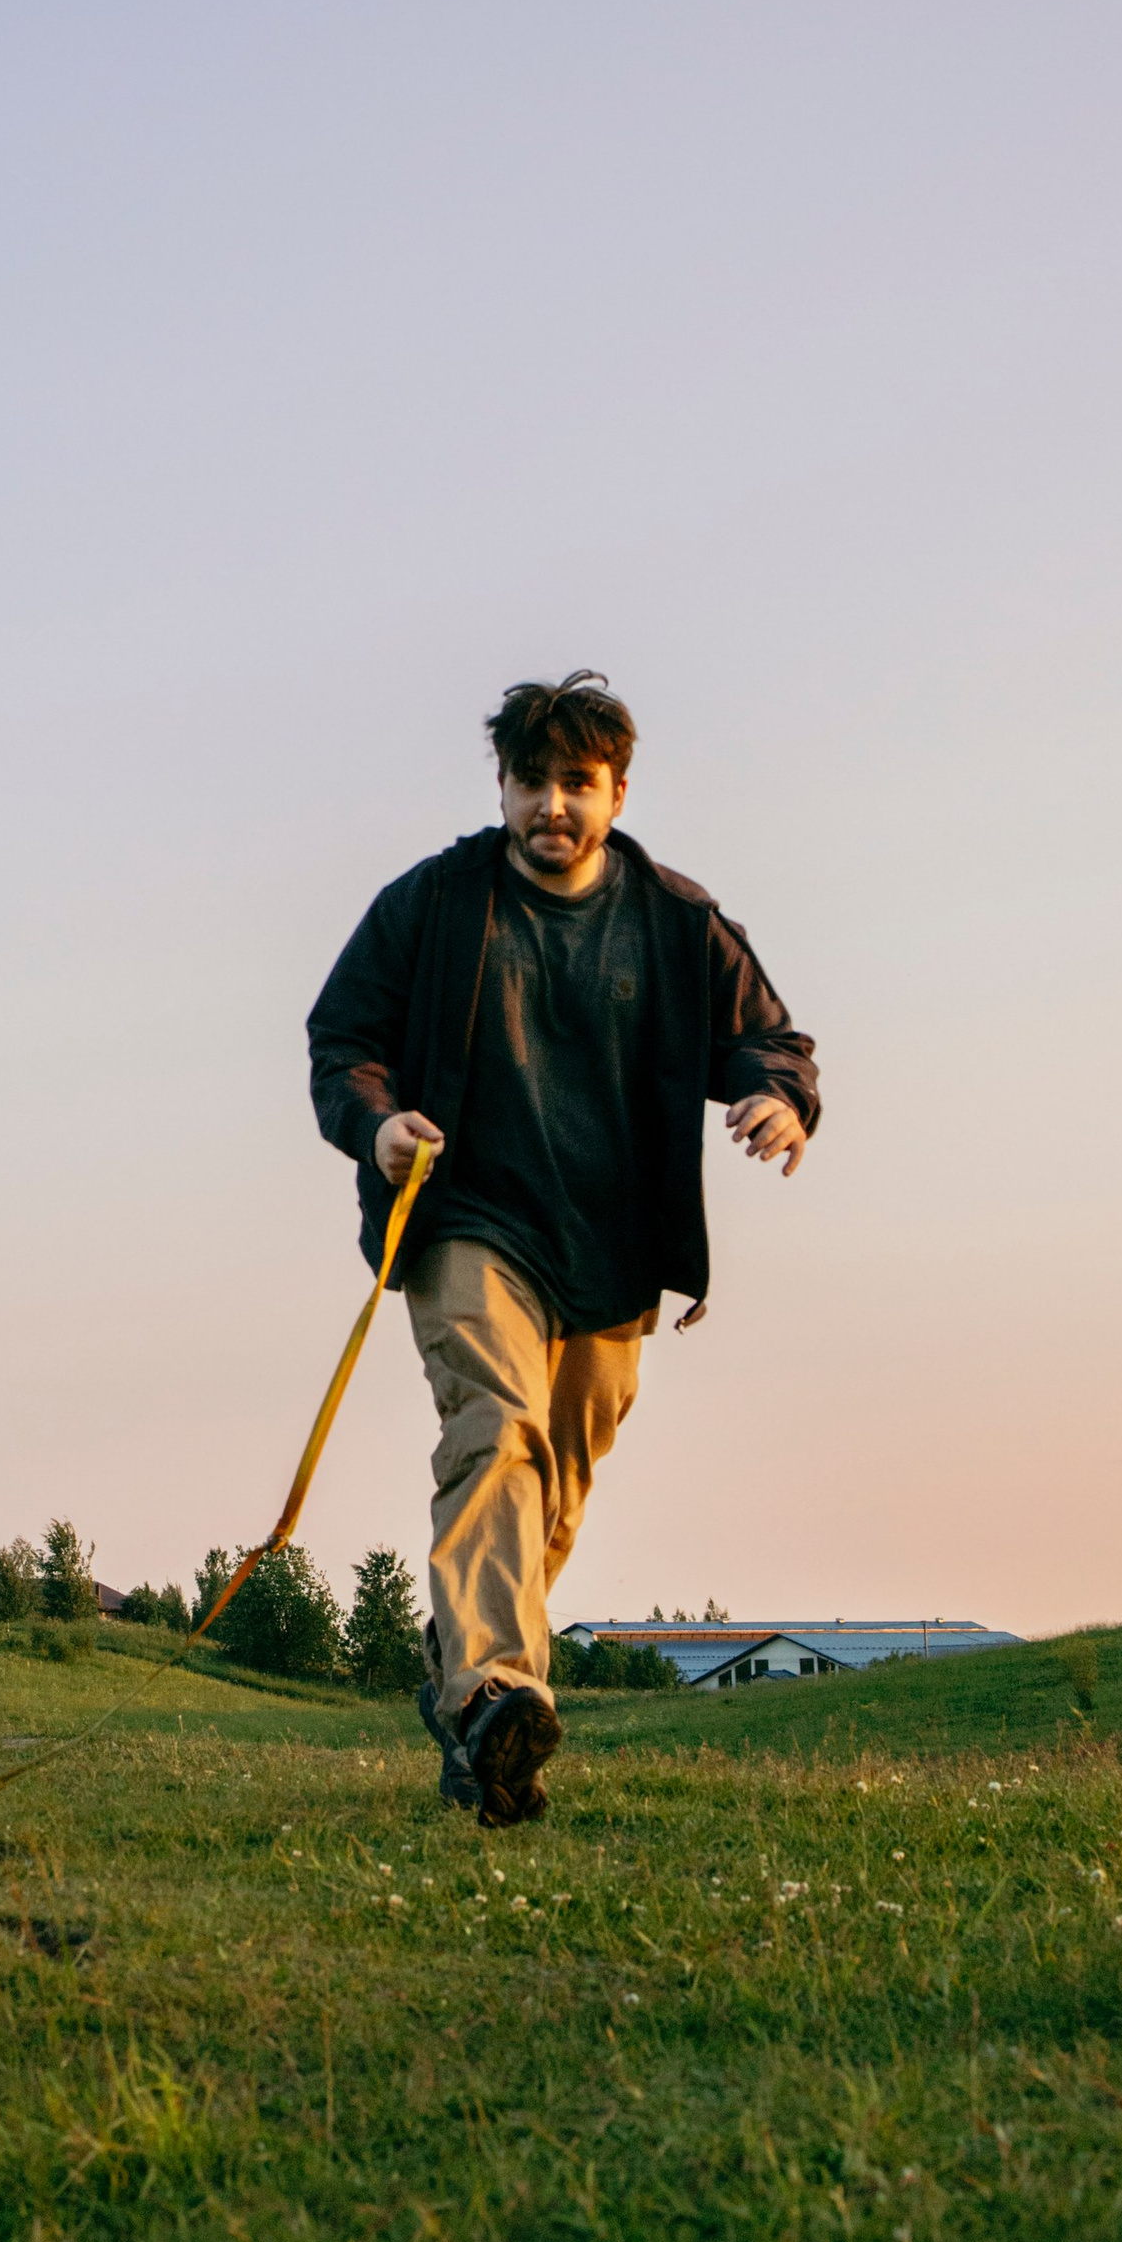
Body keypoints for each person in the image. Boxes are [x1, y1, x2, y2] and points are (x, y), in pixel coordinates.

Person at [307, 672, 818, 1827]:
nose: (551, 804)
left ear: (616, 793)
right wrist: (375, 1122)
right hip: (467, 1219)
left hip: (613, 1247)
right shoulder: (434, 904)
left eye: (576, 783)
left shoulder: (677, 921)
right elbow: (344, 1039)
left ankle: (468, 1695)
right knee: (496, 1431)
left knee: (558, 1484)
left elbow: (770, 1039)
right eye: (530, 781)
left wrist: (778, 1099)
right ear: (499, 786)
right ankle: (495, 1687)